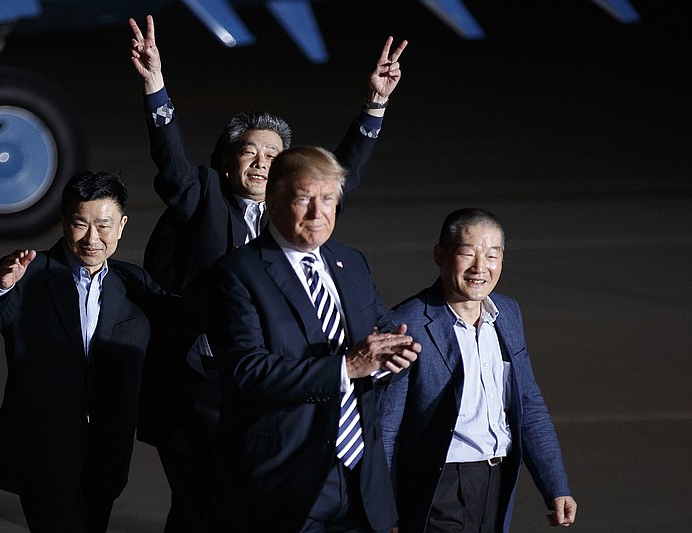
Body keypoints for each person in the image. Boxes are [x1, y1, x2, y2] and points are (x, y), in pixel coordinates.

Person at [128, 14, 408, 532]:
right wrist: (154, 88)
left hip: (281, 387)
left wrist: (374, 107)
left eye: (273, 155)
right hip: (205, 383)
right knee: (197, 503)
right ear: (229, 161)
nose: (260, 161)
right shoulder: (205, 197)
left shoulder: (303, 218)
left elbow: (338, 174)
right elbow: (170, 165)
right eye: (248, 151)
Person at [206, 146, 421, 532]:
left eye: (327, 200)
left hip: (361, 479)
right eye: (303, 198)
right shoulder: (238, 273)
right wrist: (347, 367)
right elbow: (246, 372)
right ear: (273, 201)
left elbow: (376, 340)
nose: (316, 213)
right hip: (287, 480)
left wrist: (393, 358)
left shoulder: (351, 262)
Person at [0, 171, 172, 532]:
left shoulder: (134, 283)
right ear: (63, 222)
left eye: (104, 226)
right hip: (44, 447)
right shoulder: (31, 273)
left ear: (121, 226)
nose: (92, 239)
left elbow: (180, 320)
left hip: (107, 448)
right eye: (79, 224)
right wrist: (0, 284)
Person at [380, 208, 578, 533]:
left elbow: (529, 407)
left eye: (492, 256)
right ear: (440, 256)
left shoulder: (508, 315)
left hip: (495, 482)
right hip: (438, 486)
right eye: (467, 254)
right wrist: (384, 510)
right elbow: (386, 428)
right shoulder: (408, 323)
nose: (480, 268)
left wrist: (555, 485)